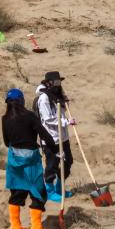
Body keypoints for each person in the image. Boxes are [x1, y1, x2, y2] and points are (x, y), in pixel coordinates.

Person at [2, 87, 57, 229]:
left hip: (14, 160)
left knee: (17, 193)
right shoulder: (30, 116)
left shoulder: (5, 119)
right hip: (31, 160)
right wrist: (54, 147)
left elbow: (7, 142)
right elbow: (44, 135)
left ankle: (16, 228)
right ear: (22, 101)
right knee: (38, 194)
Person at [34, 71, 73, 203]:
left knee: (68, 162)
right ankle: (49, 191)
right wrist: (66, 122)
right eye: (56, 82)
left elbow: (62, 111)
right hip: (50, 138)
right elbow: (48, 119)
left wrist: (65, 101)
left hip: (63, 137)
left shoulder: (58, 95)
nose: (58, 84)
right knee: (52, 165)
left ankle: (59, 188)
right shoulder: (44, 98)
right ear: (48, 83)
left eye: (59, 82)